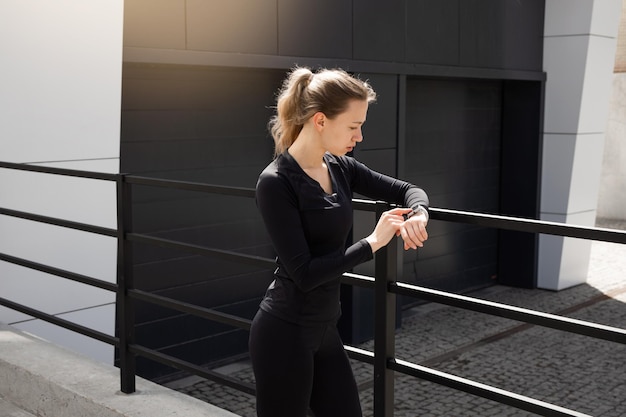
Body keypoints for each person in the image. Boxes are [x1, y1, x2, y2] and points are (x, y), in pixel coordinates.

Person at [249, 67, 429, 417]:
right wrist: (373, 242)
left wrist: (419, 212)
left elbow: (407, 190)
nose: (359, 136)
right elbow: (304, 273)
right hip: (284, 333)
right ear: (319, 120)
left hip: (325, 330)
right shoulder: (275, 182)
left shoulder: (341, 167)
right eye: (353, 126)